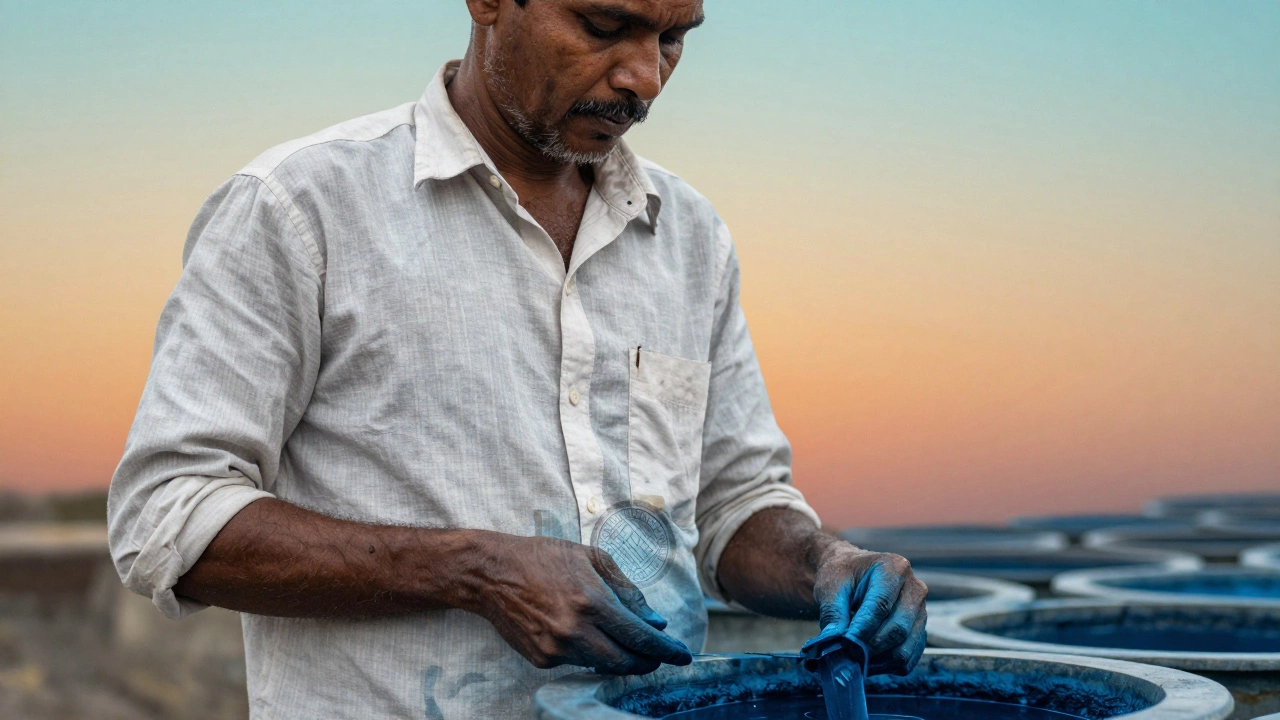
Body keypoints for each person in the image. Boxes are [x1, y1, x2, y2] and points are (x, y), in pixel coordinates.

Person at [106, 0, 927, 717]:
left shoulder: (689, 237)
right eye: (607, 26)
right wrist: (476, 571)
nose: (645, 78)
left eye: (676, 39)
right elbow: (167, 515)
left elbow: (732, 505)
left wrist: (826, 562)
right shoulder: (301, 209)